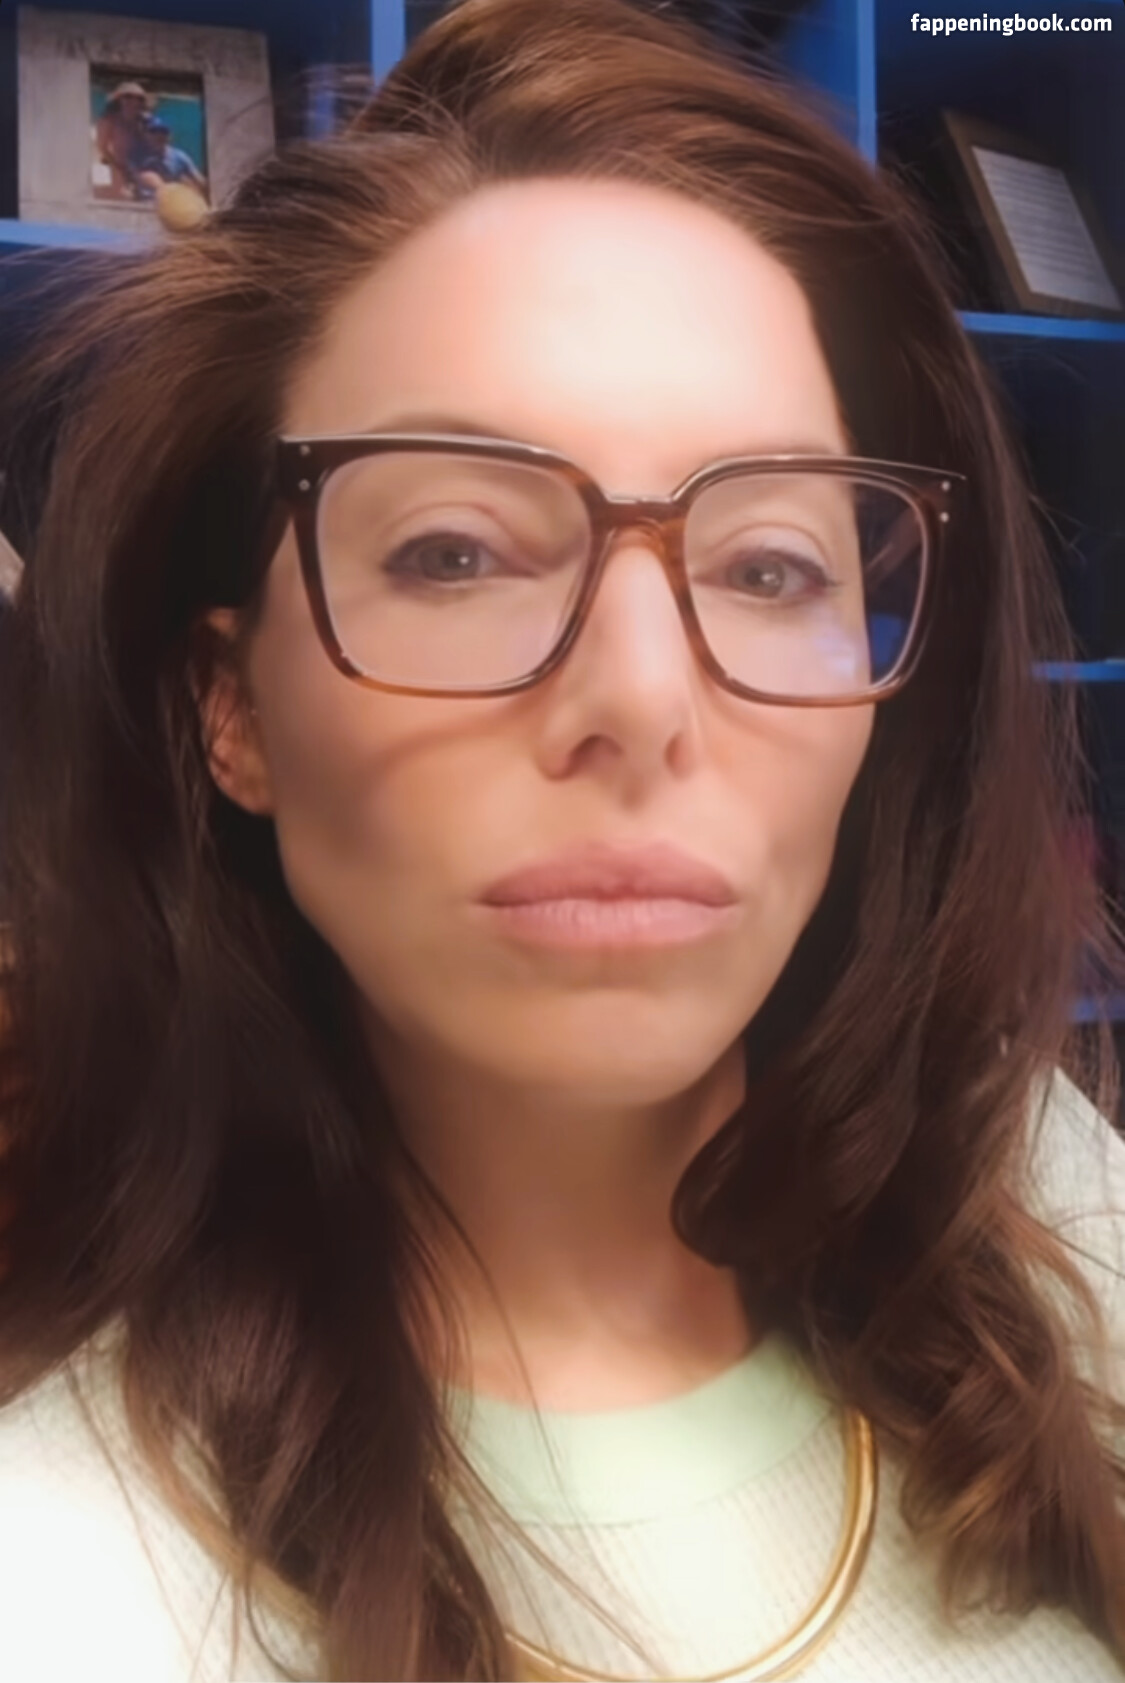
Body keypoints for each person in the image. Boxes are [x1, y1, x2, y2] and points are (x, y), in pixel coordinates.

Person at [0, 0, 1122, 1678]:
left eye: (769, 567)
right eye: (456, 553)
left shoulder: (1040, 1180)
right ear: (234, 709)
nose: (644, 696)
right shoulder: (60, 1575)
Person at [135, 119, 209, 202]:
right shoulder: (139, 156)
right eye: (153, 132)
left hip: (170, 200)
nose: (158, 136)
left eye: (163, 132)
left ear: (169, 136)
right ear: (146, 135)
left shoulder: (179, 157)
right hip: (145, 202)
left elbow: (199, 179)